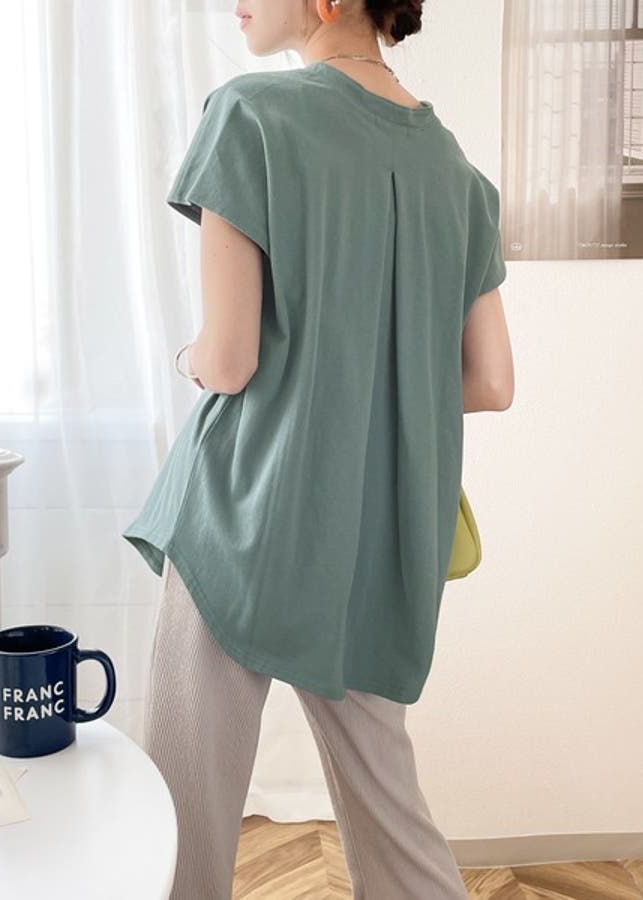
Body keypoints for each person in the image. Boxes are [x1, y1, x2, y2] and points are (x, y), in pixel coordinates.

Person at [122, 1, 515, 897]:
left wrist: (186, 357)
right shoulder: (458, 175)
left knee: (188, 809)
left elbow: (229, 360)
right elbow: (492, 381)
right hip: (377, 536)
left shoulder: (250, 115)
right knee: (390, 808)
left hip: (239, 520)